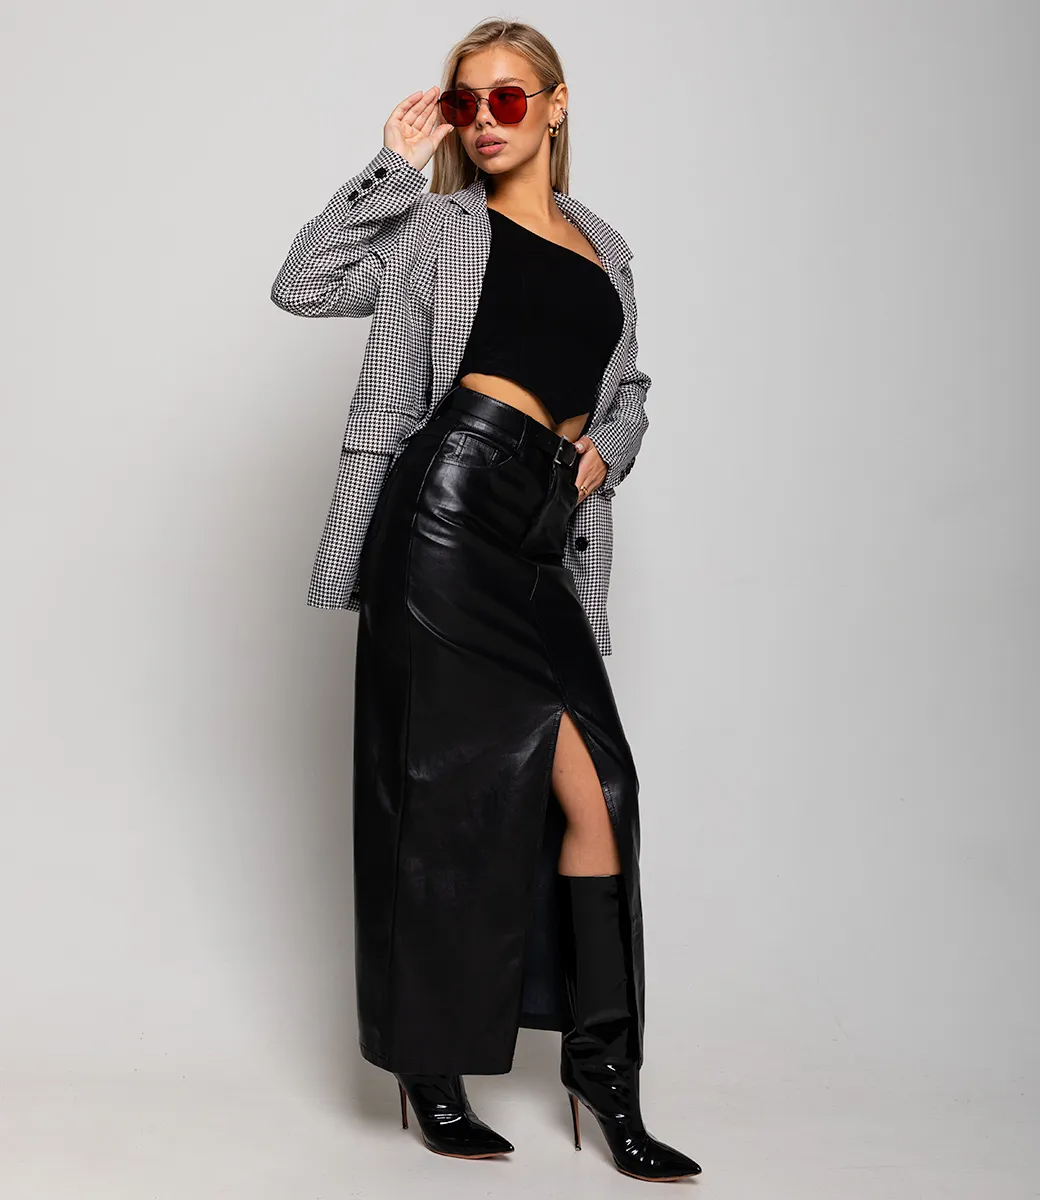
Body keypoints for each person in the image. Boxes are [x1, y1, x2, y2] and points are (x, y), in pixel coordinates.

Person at [271, 18, 701, 1184]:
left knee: (600, 788)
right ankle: (430, 1070)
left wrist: (607, 451)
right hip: (448, 505)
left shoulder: (604, 246)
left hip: (542, 528)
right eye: (467, 102)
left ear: (556, 106)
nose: (485, 122)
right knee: (443, 795)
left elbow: (628, 388)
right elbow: (302, 286)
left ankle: (603, 1081)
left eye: (508, 99)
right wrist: (393, 164)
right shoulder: (438, 225)